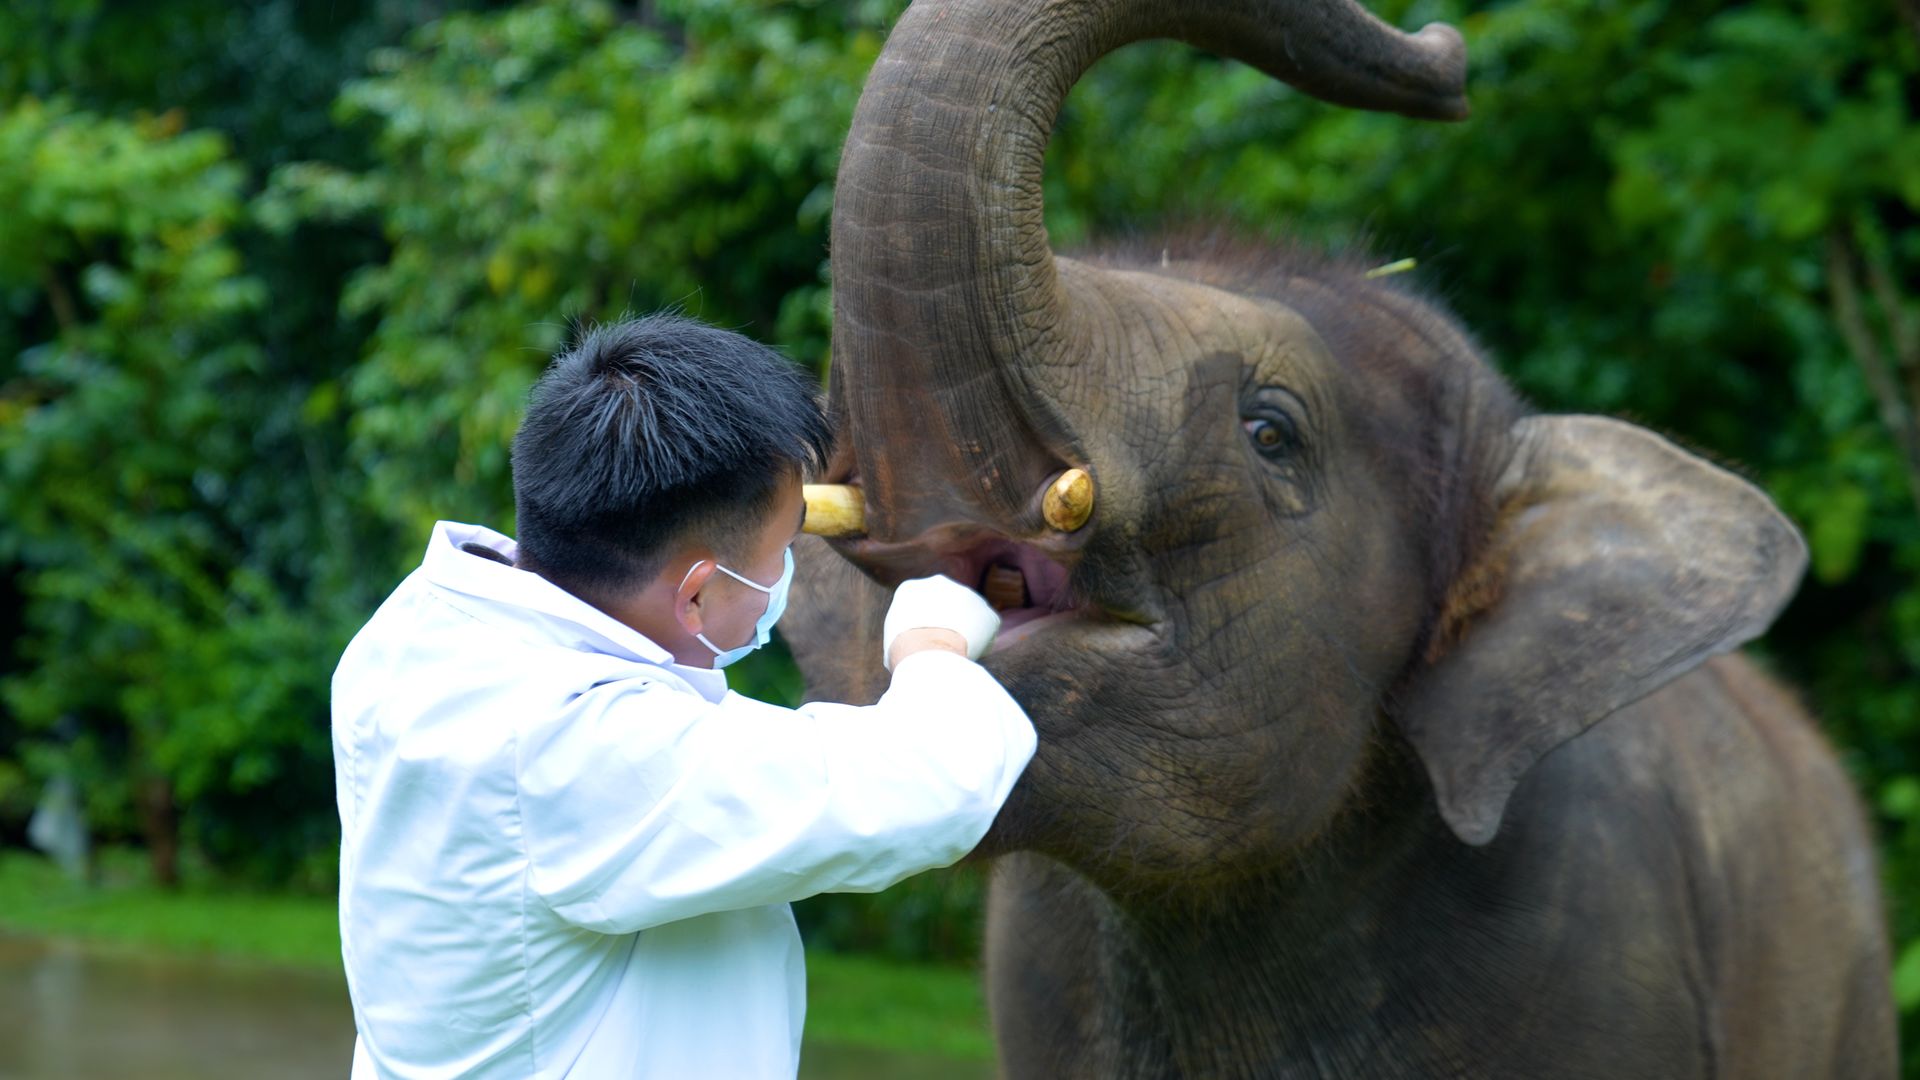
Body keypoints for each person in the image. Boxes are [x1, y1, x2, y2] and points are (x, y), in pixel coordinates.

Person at [331, 315, 1035, 1078]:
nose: (781, 576)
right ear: (695, 594)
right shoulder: (581, 749)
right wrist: (931, 646)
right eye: (782, 553)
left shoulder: (415, 637)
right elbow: (925, 784)